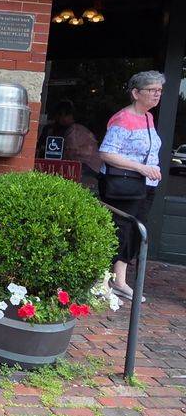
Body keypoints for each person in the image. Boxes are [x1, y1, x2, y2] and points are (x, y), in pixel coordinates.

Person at [98, 70, 165, 302]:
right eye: (152, 90)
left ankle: (119, 281)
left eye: (159, 91)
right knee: (119, 231)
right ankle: (102, 281)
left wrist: (150, 172)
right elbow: (106, 153)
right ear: (136, 93)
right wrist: (141, 168)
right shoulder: (122, 119)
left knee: (135, 232)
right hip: (123, 185)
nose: (157, 95)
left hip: (145, 185)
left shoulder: (148, 117)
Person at [38, 99, 101, 187]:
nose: (60, 118)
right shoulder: (66, 129)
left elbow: (71, 152)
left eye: (64, 115)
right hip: (89, 167)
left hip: (87, 167)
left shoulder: (74, 130)